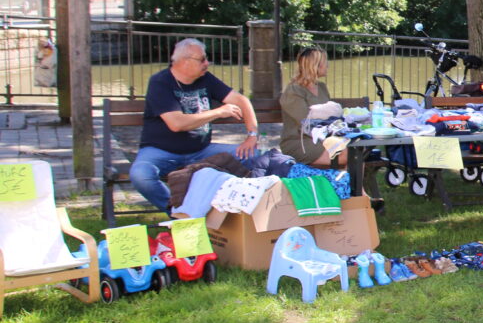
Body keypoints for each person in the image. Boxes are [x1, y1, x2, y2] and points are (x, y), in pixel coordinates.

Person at [129, 38, 259, 213]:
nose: (207, 63)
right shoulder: (160, 83)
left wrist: (252, 136)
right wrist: (218, 112)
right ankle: (180, 213)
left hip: (201, 150)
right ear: (185, 61)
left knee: (254, 156)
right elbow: (177, 124)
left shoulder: (206, 79)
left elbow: (241, 100)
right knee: (140, 175)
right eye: (202, 59)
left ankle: (243, 210)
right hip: (161, 151)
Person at [280, 46, 343, 167]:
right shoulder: (294, 90)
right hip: (300, 142)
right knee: (350, 155)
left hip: (323, 138)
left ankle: (350, 186)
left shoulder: (322, 87)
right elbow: (306, 121)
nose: (328, 66)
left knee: (356, 151)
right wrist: (331, 111)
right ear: (315, 65)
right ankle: (351, 186)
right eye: (325, 63)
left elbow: (329, 119)